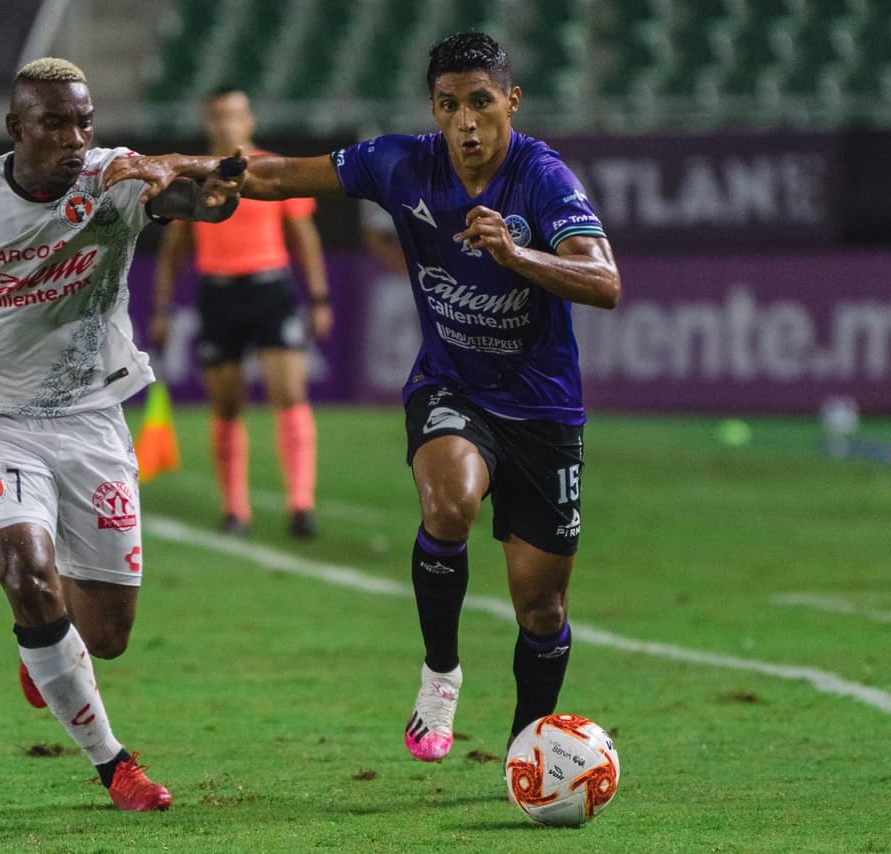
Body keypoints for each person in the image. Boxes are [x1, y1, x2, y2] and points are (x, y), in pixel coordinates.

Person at [105, 32, 621, 764]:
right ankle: (440, 674)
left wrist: (516, 253)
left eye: (480, 102)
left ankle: (527, 751)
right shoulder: (400, 162)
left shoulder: (543, 178)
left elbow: (604, 281)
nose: (466, 121)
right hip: (451, 386)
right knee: (449, 504)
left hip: (543, 409)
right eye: (449, 105)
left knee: (541, 608)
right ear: (434, 109)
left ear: (511, 101)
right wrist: (178, 164)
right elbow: (275, 173)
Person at [0, 57, 242, 812]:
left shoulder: (115, 179)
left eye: (85, 122)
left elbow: (199, 202)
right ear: (16, 128)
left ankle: (44, 645)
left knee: (107, 636)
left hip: (92, 424)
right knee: (28, 576)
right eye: (56, 123)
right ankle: (116, 766)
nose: (75, 138)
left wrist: (211, 194)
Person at [151, 87, 332, 538]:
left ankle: (301, 505)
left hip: (270, 288)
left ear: (249, 121)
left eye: (234, 114)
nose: (226, 123)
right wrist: (162, 308)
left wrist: (319, 297)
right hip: (218, 293)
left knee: (289, 393)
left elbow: (304, 236)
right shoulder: (193, 177)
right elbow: (173, 250)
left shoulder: (272, 169)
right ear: (207, 122)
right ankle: (235, 509)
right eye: (218, 115)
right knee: (227, 404)